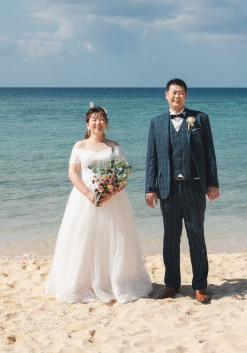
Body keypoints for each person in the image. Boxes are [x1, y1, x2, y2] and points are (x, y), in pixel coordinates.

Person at [45, 105, 152, 303]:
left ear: (106, 123)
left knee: (113, 238)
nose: (98, 123)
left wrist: (111, 191)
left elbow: (124, 172)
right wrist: (88, 194)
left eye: (101, 119)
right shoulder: (79, 146)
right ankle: (83, 281)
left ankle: (115, 280)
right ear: (87, 124)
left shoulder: (114, 146)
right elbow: (72, 173)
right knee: (83, 239)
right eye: (94, 120)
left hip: (112, 199)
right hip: (84, 199)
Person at [145, 78, 220, 304]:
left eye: (181, 93)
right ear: (166, 94)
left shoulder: (200, 119)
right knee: (170, 238)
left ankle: (200, 286)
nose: (177, 96)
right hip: (167, 189)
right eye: (173, 92)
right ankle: (171, 284)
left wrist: (213, 184)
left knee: (196, 235)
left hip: (194, 187)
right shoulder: (156, 123)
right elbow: (152, 158)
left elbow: (209, 154)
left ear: (186, 96)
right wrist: (150, 188)